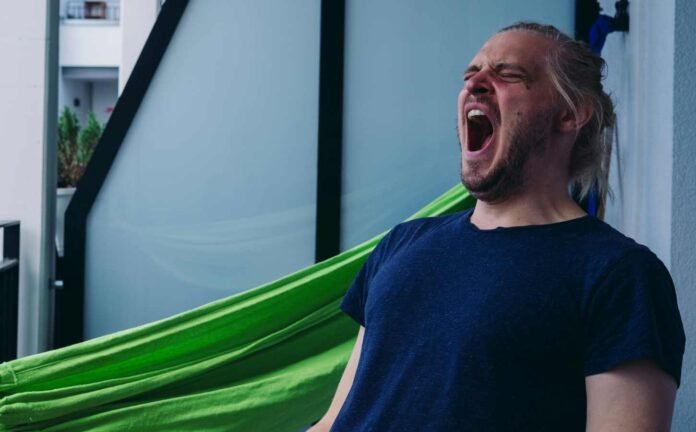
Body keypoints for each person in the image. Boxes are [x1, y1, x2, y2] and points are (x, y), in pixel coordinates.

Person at [309, 22, 685, 431]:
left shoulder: (620, 275)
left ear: (570, 113)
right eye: (470, 75)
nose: (476, 84)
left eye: (507, 75)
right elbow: (337, 419)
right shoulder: (402, 244)